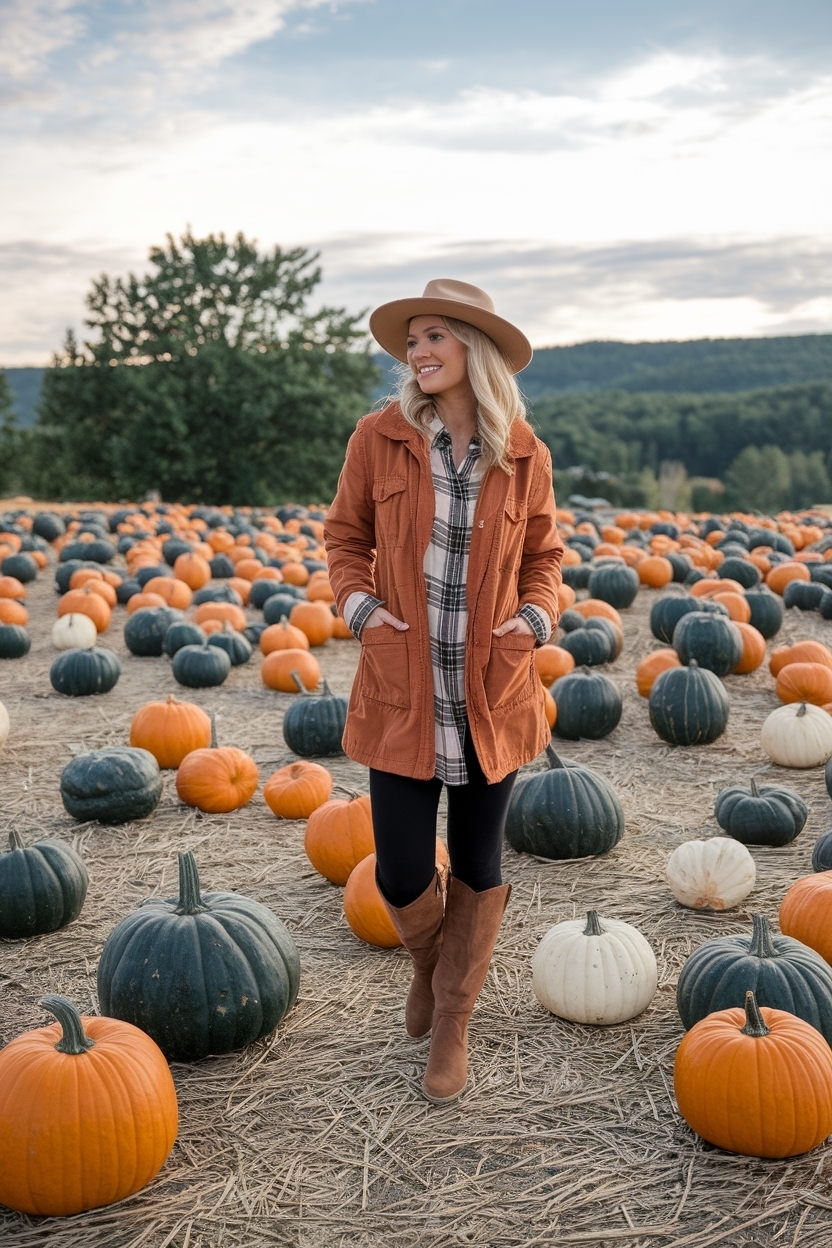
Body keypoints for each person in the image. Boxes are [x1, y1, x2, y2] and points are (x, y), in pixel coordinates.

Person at [324, 278, 563, 1103]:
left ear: (475, 350)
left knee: (477, 861)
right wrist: (362, 614)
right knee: (396, 871)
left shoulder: (523, 451)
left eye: (435, 337)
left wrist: (534, 617)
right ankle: (430, 960)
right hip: (403, 688)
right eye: (412, 340)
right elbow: (344, 536)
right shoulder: (379, 439)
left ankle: (453, 1019)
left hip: (490, 691)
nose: (418, 352)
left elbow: (545, 557)